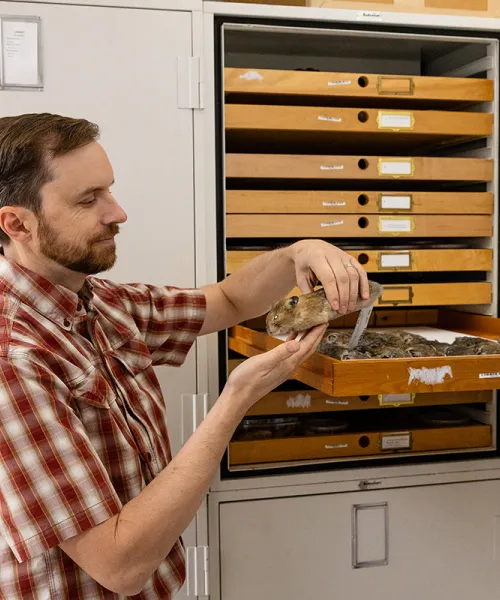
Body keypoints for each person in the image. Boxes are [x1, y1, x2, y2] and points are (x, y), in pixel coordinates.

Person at [0, 113, 369, 599]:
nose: (118, 212)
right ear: (16, 223)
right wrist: (235, 400)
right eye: (89, 200)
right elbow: (120, 565)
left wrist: (297, 254)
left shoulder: (104, 303)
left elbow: (228, 301)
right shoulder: (15, 357)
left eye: (109, 190)